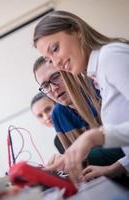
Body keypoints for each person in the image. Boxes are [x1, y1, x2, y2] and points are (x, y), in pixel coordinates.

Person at [33, 10, 129, 184]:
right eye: (49, 58)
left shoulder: (110, 56)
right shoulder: (98, 73)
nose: (56, 63)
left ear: (77, 30)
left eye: (55, 49)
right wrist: (117, 167)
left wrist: (94, 137)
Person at [33, 56, 125, 169]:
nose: (53, 88)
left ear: (67, 69)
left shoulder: (99, 89)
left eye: (56, 76)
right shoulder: (58, 114)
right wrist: (64, 164)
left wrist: (78, 157)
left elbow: (125, 146)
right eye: (45, 86)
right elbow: (78, 168)